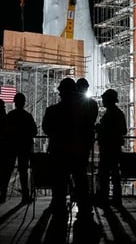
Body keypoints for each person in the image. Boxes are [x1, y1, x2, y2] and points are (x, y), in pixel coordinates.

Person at [42, 77, 94, 226]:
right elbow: (89, 132)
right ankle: (84, 210)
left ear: (60, 93)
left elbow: (46, 129)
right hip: (77, 152)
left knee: (59, 184)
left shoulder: (52, 110)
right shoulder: (83, 111)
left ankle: (59, 211)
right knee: (81, 182)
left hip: (59, 153)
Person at [0, 92, 38, 203]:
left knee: (7, 170)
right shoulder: (27, 116)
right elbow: (34, 131)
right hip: (24, 147)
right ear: (24, 103)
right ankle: (25, 196)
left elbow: (4, 131)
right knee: (23, 172)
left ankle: (3, 195)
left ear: (15, 103)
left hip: (11, 146)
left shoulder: (10, 115)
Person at [95, 88, 127, 207]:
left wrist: (101, 129)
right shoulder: (118, 113)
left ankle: (104, 198)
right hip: (114, 147)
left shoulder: (111, 114)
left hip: (108, 148)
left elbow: (117, 130)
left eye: (104, 99)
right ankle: (115, 198)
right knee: (114, 174)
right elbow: (123, 130)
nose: (102, 101)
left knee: (104, 174)